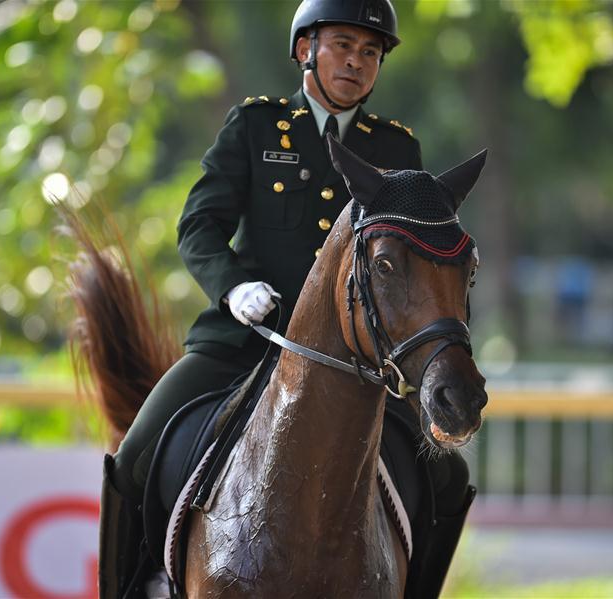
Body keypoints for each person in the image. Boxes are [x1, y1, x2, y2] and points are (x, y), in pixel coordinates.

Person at [100, 1, 473, 598]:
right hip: (247, 339)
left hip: (357, 359)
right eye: (343, 46)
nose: (357, 62)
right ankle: (127, 587)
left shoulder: (398, 150)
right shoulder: (255, 126)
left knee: (448, 474)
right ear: (306, 49)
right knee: (137, 452)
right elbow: (198, 226)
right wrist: (231, 287)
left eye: (371, 53)